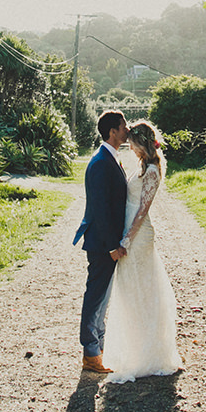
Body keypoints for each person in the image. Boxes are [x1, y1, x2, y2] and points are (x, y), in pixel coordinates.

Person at [102, 119, 183, 383]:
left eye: (133, 144)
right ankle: (134, 347)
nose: (131, 148)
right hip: (129, 234)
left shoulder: (152, 171)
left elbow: (142, 210)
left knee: (142, 290)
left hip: (138, 237)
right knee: (130, 290)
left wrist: (126, 240)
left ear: (142, 144)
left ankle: (149, 354)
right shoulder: (141, 167)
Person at [73, 110, 129, 373]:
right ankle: (91, 354)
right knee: (95, 298)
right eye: (123, 125)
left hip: (109, 242)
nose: (127, 129)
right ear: (112, 131)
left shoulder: (111, 158)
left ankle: (99, 349)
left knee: (102, 297)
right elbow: (100, 208)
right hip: (101, 244)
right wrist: (111, 246)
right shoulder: (99, 162)